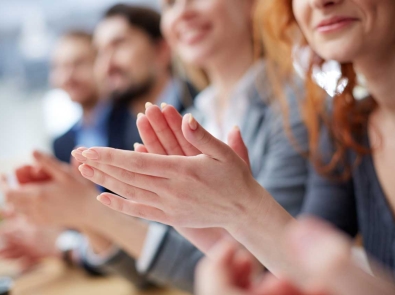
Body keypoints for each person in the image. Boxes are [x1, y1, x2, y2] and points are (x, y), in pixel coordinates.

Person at [72, 0, 395, 282]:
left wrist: (91, 214)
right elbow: (305, 270)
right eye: (170, 2)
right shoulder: (348, 125)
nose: (183, 12)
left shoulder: (303, 111)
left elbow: (286, 271)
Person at [1, 3, 195, 289]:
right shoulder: (122, 126)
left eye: (118, 45)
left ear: (162, 49)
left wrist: (74, 228)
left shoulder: (193, 111)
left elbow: (150, 240)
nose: (106, 65)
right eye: (101, 52)